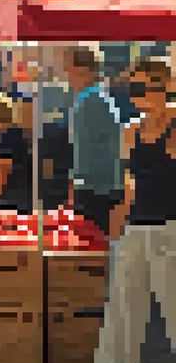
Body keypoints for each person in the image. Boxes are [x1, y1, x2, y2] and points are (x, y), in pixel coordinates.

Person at [92, 58, 176, 363]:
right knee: (124, 309)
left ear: (167, 87)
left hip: (171, 228)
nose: (141, 95)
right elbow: (131, 183)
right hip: (137, 228)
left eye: (149, 87)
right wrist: (118, 222)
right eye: (135, 88)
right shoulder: (130, 131)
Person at [67, 48, 124, 237]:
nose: (67, 76)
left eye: (69, 69)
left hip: (95, 187)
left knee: (92, 243)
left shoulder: (89, 100)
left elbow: (85, 150)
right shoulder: (97, 97)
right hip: (100, 185)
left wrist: (75, 183)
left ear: (81, 70)